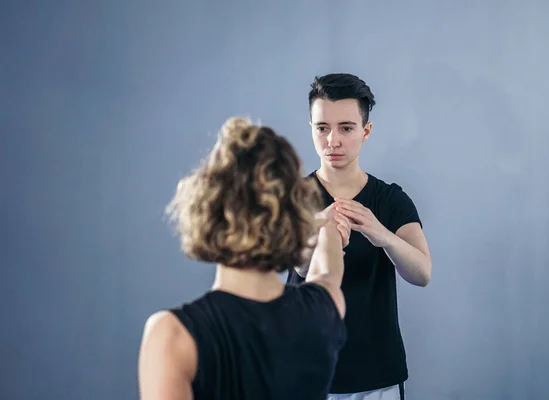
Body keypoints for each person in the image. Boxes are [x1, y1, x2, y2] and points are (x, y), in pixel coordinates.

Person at [138, 117, 353, 400]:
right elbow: (328, 270)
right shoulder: (326, 307)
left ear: (207, 207)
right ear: (293, 217)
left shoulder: (172, 337)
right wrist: (325, 223)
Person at [287, 74, 432, 400]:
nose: (332, 140)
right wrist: (319, 231)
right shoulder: (293, 197)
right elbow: (295, 267)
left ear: (365, 131)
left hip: (377, 374)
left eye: (346, 128)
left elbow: (422, 273)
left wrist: (381, 235)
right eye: (322, 128)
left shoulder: (390, 199)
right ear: (310, 127)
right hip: (304, 368)